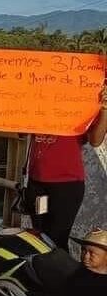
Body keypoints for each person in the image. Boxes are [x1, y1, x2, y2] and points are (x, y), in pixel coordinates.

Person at [24, 87, 107, 253]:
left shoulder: (83, 101)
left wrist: (104, 109)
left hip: (66, 185)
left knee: (56, 240)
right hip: (36, 182)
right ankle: (41, 276)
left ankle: (59, 277)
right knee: (38, 237)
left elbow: (95, 140)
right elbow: (17, 127)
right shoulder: (35, 97)